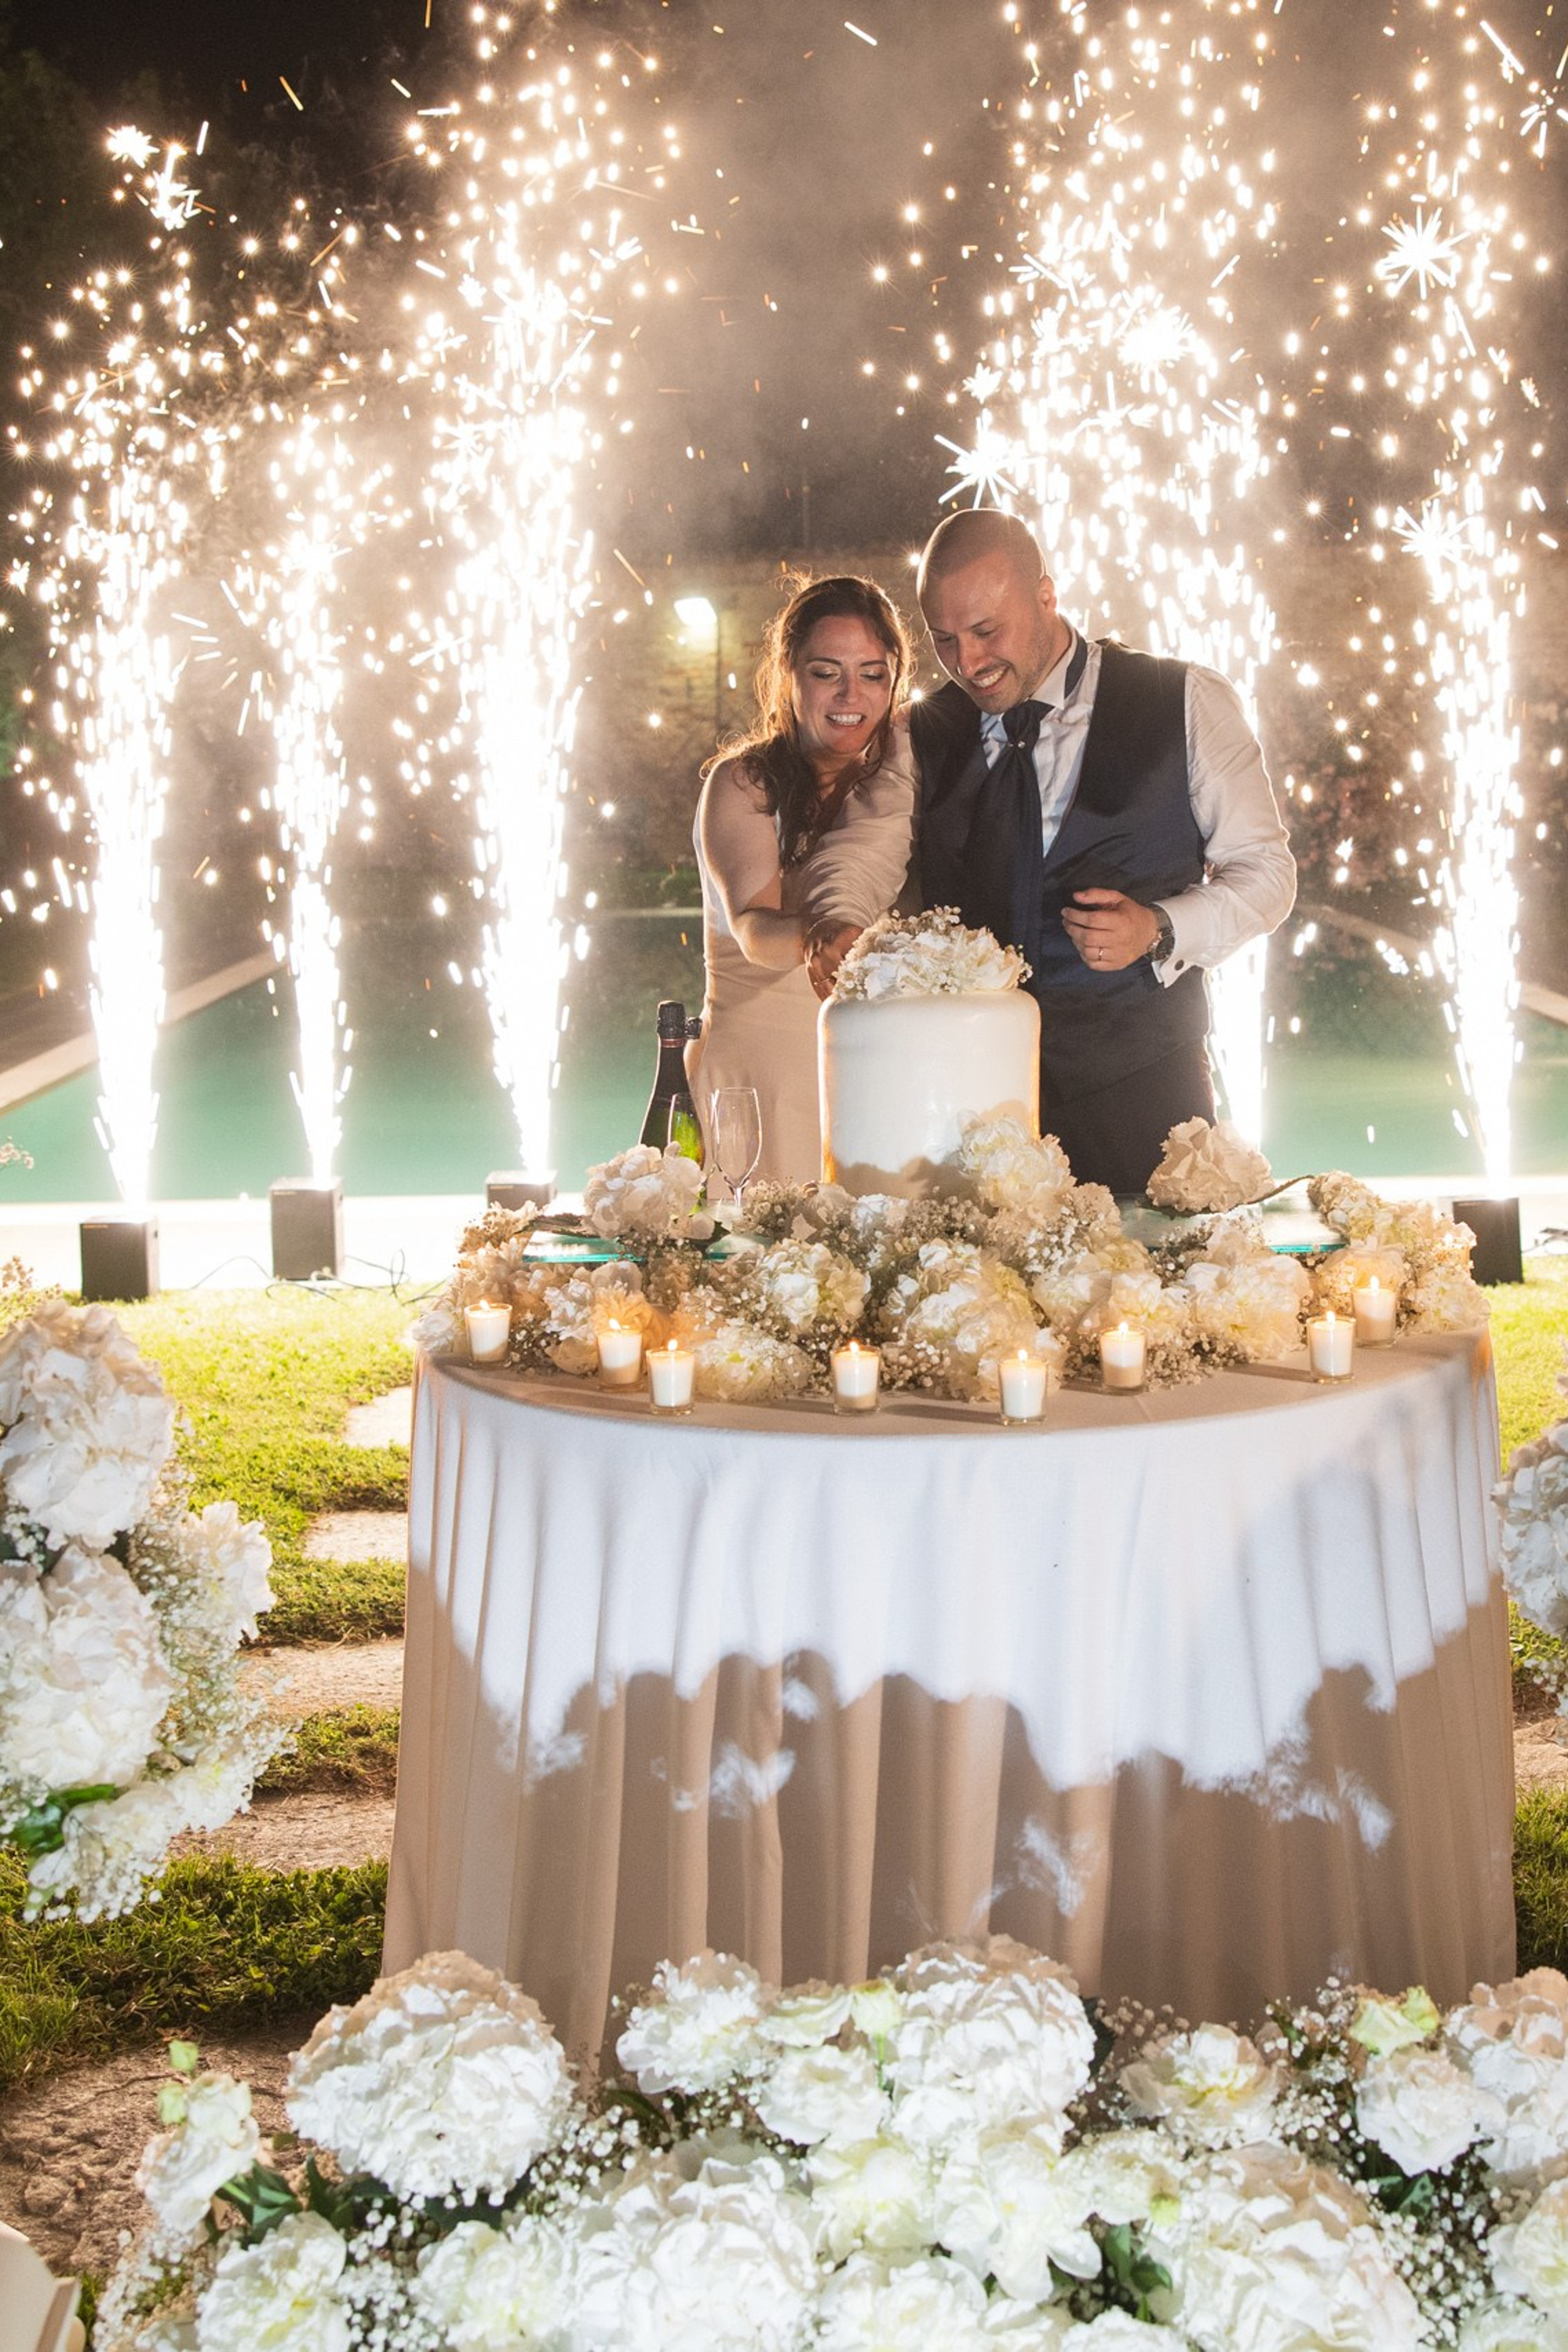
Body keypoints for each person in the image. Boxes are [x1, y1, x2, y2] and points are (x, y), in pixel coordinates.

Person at [805, 508, 1295, 1195]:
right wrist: (836, 917)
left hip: (1139, 1093)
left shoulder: (1185, 699)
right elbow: (862, 849)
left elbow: (1268, 874)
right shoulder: (921, 732)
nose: (968, 663)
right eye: (944, 640)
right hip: (965, 1104)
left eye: (986, 632)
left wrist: (1159, 928)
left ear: (1046, 596)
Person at [688, 574, 914, 1183]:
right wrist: (817, 936)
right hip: (762, 1082)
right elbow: (752, 928)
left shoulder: (906, 786)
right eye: (826, 672)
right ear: (788, 672)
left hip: (879, 1074)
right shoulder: (744, 783)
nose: (850, 694)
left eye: (872, 674)